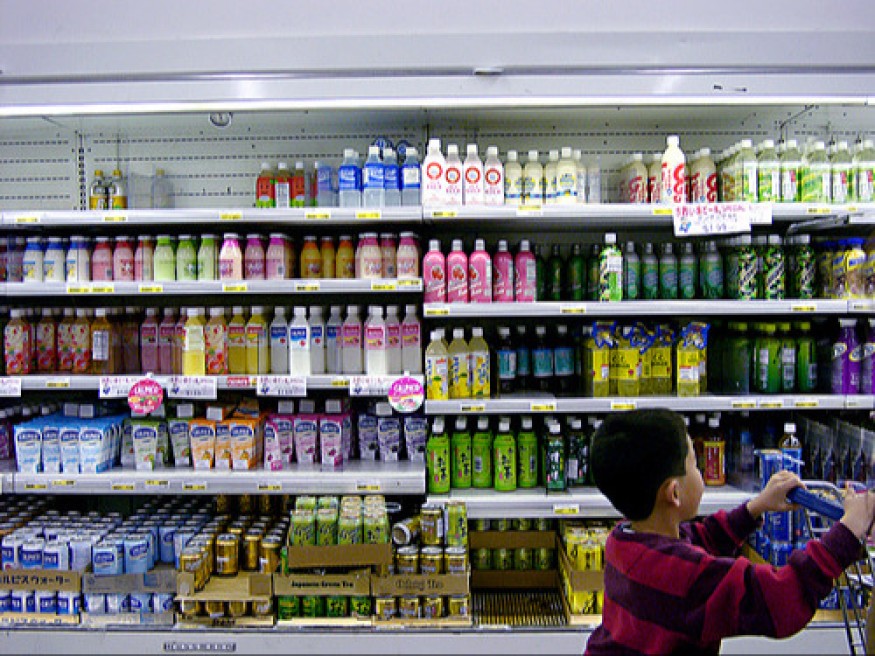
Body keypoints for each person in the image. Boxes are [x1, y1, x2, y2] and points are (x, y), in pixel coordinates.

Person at [585, 409, 874, 655]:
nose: (701, 471)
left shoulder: (623, 539)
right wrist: (847, 531)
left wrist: (757, 507)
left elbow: (701, 538)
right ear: (674, 493)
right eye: (695, 464)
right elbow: (780, 599)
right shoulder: (684, 579)